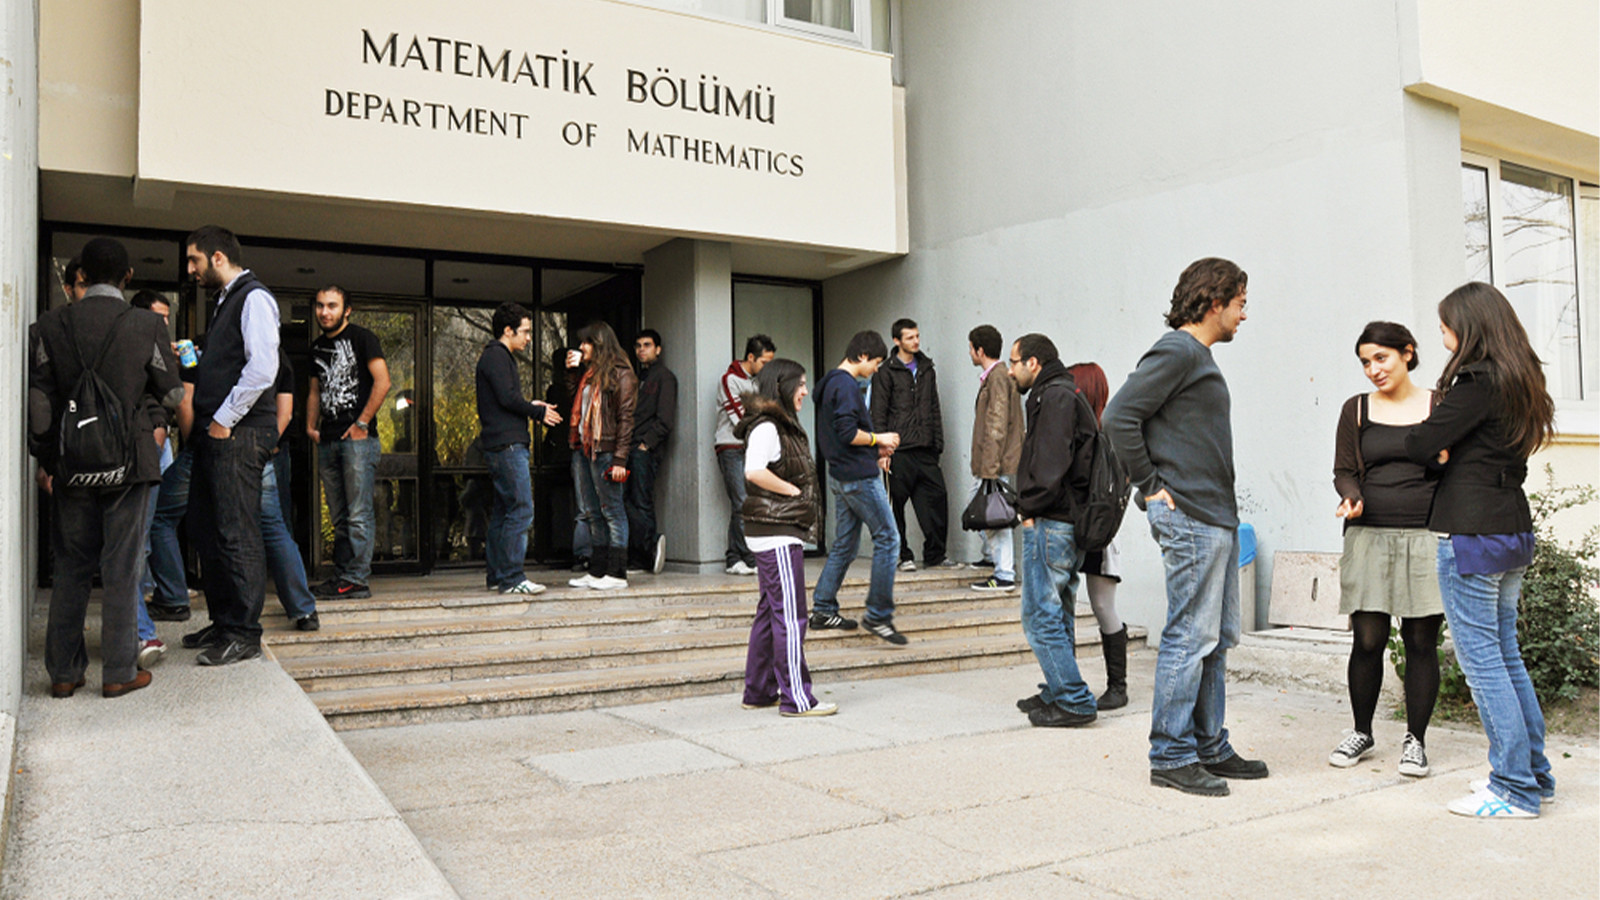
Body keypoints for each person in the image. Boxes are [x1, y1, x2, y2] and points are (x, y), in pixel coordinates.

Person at [1104, 257, 1268, 796]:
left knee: (1214, 641)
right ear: (1215, 301)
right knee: (1189, 637)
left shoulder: (1196, 356)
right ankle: (1171, 755)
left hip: (1213, 516)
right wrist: (1150, 486)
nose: (1245, 315)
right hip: (1190, 516)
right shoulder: (1177, 349)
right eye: (1241, 303)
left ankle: (1208, 746)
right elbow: (1117, 417)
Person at [1404, 283, 1556, 819]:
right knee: (1505, 655)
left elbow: (1420, 443)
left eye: (1445, 327)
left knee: (1483, 663)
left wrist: (1440, 452)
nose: (1442, 339)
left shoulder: (1476, 381)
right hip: (1511, 527)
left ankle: (1513, 788)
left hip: (1470, 531)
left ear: (1468, 328)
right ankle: (1532, 773)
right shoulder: (1523, 377)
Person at [28, 237, 182, 697]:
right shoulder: (145, 324)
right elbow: (172, 394)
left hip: (72, 465)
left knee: (71, 567)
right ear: (127, 277)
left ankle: (63, 673)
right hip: (130, 464)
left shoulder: (48, 326)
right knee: (121, 568)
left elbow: (39, 402)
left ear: (81, 276)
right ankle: (117, 672)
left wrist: (47, 459)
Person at [1328, 322, 1442, 776]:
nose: (1372, 369)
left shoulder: (1438, 405)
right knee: (1368, 638)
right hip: (1368, 534)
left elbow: (1453, 467)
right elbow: (1342, 468)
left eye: (1381, 358)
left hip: (1426, 535)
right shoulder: (1356, 409)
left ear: (1408, 354)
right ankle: (1362, 730)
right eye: (1365, 362)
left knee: (1420, 641)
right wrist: (1350, 494)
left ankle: (1416, 740)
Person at [181, 225, 281, 666]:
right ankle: (224, 622)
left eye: (194, 260)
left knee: (236, 531)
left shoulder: (254, 297)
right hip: (216, 431)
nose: (190, 270)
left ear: (218, 257)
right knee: (205, 527)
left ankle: (244, 632)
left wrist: (223, 419)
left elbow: (263, 368)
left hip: (237, 432)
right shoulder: (224, 301)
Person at [737, 359, 837, 717]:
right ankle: (796, 697)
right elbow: (753, 471)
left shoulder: (778, 423)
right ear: (783, 384)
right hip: (776, 533)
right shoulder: (768, 426)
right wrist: (792, 492)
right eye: (801, 383)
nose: (805, 391)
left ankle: (759, 690)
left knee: (769, 613)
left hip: (775, 532)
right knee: (791, 616)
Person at [1008, 334, 1099, 728]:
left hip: (1052, 520)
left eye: (1013, 362)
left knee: (1038, 615)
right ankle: (1058, 687)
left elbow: (1050, 460)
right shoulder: (1059, 393)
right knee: (1058, 613)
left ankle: (1074, 699)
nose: (1009, 370)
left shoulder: (1056, 397)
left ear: (1033, 363)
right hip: (1063, 519)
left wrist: (1028, 507)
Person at [811, 331, 906, 644]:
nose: (876, 369)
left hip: (839, 475)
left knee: (845, 545)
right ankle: (878, 615)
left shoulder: (828, 383)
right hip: (858, 477)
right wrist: (880, 439)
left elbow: (840, 435)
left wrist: (873, 449)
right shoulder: (847, 385)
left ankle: (823, 609)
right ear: (863, 356)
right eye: (876, 363)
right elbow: (849, 432)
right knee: (889, 538)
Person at [307, 285, 390, 600]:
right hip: (328, 439)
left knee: (358, 513)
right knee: (339, 515)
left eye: (331, 306)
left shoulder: (363, 338)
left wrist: (362, 424)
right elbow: (315, 391)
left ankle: (356, 578)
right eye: (320, 306)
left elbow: (383, 382)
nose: (324, 312)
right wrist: (310, 426)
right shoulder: (316, 347)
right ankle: (343, 577)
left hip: (357, 441)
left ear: (347, 309)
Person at [475, 302, 561, 595]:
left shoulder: (498, 356)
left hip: (502, 443)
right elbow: (508, 398)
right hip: (508, 446)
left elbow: (508, 400)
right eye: (525, 332)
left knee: (504, 511)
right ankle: (512, 578)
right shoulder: (497, 356)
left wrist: (529, 406)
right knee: (522, 509)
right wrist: (536, 412)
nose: (528, 338)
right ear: (508, 330)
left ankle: (499, 576)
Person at [1067, 362, 1130, 710]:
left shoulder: (1105, 432)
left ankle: (1117, 686)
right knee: (1095, 604)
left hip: (1102, 532)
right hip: (1089, 528)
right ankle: (1074, 682)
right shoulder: (1096, 430)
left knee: (1103, 605)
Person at [872, 318, 955, 571]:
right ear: (897, 341)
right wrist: (881, 450)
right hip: (898, 450)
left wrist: (937, 444)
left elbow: (934, 407)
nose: (916, 341)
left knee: (937, 500)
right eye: (910, 337)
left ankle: (935, 555)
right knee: (895, 506)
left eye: (917, 336)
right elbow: (878, 412)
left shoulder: (927, 368)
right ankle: (903, 555)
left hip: (926, 449)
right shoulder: (885, 372)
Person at [566, 321, 638, 591]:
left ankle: (617, 573)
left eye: (586, 342)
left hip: (606, 451)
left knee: (612, 511)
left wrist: (620, 459)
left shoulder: (622, 374)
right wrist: (572, 374)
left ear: (599, 344)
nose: (581, 347)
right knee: (592, 512)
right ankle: (597, 571)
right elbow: (576, 404)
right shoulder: (590, 374)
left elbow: (626, 420)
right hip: (584, 449)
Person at [129, 290, 176, 667]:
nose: (163, 324)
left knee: (146, 533)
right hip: (136, 452)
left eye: (166, 317)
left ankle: (154, 603)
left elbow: (172, 396)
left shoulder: (162, 353)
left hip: (157, 452)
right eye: (157, 317)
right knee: (135, 541)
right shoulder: (133, 348)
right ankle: (142, 628)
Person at [966, 324, 1022, 593]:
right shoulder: (995, 376)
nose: (969, 353)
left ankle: (1004, 574)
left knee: (994, 517)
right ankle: (992, 559)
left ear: (979, 350)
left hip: (993, 464)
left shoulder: (998, 377)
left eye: (970, 348)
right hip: (989, 462)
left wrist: (989, 467)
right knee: (982, 512)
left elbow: (997, 424)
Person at [714, 334, 776, 575]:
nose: (767, 368)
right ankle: (750, 558)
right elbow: (739, 419)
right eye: (764, 362)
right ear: (751, 357)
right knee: (742, 502)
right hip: (731, 447)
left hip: (753, 449)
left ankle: (733, 558)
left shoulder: (759, 383)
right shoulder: (730, 380)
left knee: (744, 504)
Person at [626, 329, 677, 574]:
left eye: (647, 345)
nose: (641, 349)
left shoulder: (664, 377)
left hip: (644, 450)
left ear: (658, 349)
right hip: (629, 448)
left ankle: (646, 554)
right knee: (628, 502)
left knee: (641, 502)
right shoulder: (637, 377)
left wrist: (646, 444)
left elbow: (665, 419)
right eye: (638, 345)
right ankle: (637, 554)